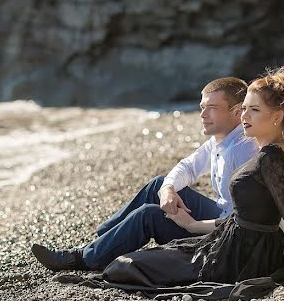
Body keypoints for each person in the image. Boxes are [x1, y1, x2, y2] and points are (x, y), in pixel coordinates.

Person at [96, 66, 284, 290]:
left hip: (244, 252)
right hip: (232, 236)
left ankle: (96, 251)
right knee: (156, 201)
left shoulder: (267, 157)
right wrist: (191, 224)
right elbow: (241, 214)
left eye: (254, 110)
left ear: (277, 117)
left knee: (129, 263)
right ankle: (101, 240)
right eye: (245, 109)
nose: (244, 116)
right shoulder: (262, 150)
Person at [31, 76, 259, 271]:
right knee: (159, 185)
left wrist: (193, 225)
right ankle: (102, 241)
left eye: (212, 108)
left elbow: (243, 218)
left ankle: (82, 258)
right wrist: (169, 189)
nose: (202, 115)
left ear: (236, 112)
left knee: (149, 214)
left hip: (225, 238)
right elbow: (187, 167)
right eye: (202, 107)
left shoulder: (243, 149)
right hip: (220, 215)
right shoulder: (220, 140)